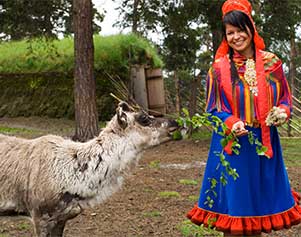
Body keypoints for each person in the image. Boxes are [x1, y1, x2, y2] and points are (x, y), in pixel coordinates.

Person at [187, 0, 301, 236]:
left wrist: (281, 112)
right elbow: (212, 109)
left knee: (256, 215)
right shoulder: (218, 69)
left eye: (240, 30)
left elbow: (285, 99)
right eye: (230, 32)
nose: (236, 36)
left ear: (251, 28)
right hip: (233, 148)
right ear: (225, 36)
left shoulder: (272, 63)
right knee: (235, 214)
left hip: (264, 146)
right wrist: (231, 122)